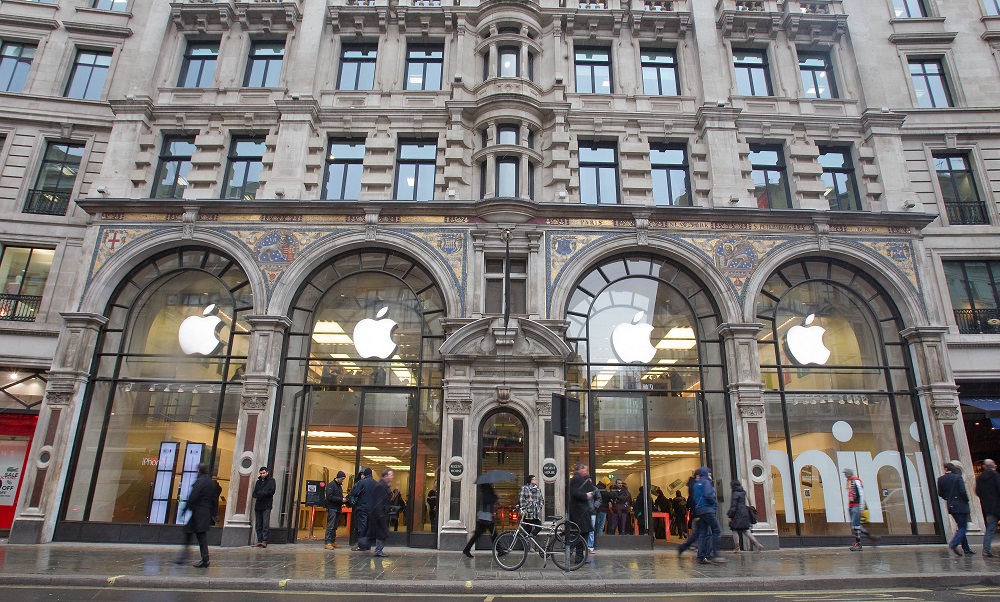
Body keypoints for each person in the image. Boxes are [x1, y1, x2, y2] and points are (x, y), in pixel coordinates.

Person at [176, 463, 220, 568]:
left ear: (199, 471)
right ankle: (190, 558)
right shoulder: (211, 483)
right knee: (198, 536)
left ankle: (200, 559)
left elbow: (193, 496)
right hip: (205, 513)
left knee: (195, 535)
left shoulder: (200, 481)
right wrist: (214, 514)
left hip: (198, 513)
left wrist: (184, 510)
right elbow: (214, 500)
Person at [938, 462, 974, 556]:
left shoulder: (941, 479)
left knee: (960, 526)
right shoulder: (957, 477)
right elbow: (962, 491)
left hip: (951, 505)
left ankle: (966, 548)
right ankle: (954, 543)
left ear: (945, 469)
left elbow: (940, 493)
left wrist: (948, 498)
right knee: (963, 527)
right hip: (961, 504)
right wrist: (966, 500)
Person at [692, 466, 725, 564]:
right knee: (716, 530)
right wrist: (713, 503)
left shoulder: (696, 484)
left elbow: (695, 497)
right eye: (709, 474)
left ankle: (701, 556)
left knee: (703, 533)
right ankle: (716, 555)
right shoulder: (706, 482)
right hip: (708, 509)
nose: (710, 476)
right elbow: (708, 495)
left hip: (700, 510)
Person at [844, 468, 877, 551]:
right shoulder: (849, 482)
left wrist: (861, 507)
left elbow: (861, 494)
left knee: (856, 525)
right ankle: (871, 537)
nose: (845, 475)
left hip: (856, 505)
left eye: (846, 473)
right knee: (856, 525)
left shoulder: (856, 481)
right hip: (852, 505)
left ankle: (859, 543)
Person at [463, 483, 499, 557]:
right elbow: (488, 501)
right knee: (493, 534)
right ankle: (500, 550)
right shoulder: (486, 495)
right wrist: (495, 497)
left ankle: (466, 549)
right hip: (486, 518)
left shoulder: (483, 494)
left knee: (477, 535)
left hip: (484, 518)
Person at [568, 462, 595, 562]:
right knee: (582, 533)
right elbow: (574, 493)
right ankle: (570, 547)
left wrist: (588, 481)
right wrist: (585, 496)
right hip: (579, 511)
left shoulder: (582, 479)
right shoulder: (575, 479)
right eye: (585, 470)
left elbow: (591, 490)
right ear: (580, 469)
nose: (586, 472)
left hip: (582, 510)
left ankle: (579, 557)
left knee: (583, 533)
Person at [727, 480, 763, 552]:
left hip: (737, 514)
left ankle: (737, 548)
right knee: (745, 530)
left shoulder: (735, 493)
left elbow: (733, 506)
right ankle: (757, 544)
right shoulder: (743, 492)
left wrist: (730, 515)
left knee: (734, 529)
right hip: (744, 513)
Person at [975, 459, 1000, 558]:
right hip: (998, 504)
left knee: (990, 529)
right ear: (994, 466)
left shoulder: (979, 478)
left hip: (988, 506)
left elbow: (978, 492)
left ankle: (986, 550)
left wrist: (985, 499)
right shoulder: (996, 476)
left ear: (984, 467)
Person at [367, 469, 393, 557]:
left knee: (381, 532)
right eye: (391, 475)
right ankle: (378, 550)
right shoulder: (381, 486)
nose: (392, 477)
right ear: (385, 476)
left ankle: (379, 549)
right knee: (381, 532)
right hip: (380, 513)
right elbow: (379, 501)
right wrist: (380, 513)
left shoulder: (384, 485)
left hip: (381, 512)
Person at [350, 467, 377, 551]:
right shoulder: (376, 483)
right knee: (369, 526)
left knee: (362, 526)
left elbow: (354, 493)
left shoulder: (362, 483)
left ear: (364, 474)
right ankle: (367, 545)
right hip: (372, 509)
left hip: (362, 507)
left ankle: (361, 545)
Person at [252, 466, 275, 548]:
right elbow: (254, 494)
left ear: (267, 473)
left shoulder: (271, 481)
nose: (262, 474)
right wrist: (260, 494)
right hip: (258, 505)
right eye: (261, 473)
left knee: (265, 523)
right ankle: (259, 540)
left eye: (263, 473)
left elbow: (271, 491)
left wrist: (262, 493)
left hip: (266, 505)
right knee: (258, 524)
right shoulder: (258, 482)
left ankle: (265, 540)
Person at [324, 470, 346, 549]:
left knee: (335, 526)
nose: (343, 480)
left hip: (337, 508)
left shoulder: (339, 486)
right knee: (330, 525)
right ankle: (327, 542)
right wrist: (341, 499)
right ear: (338, 477)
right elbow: (329, 497)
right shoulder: (331, 485)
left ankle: (333, 541)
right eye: (342, 479)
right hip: (332, 508)